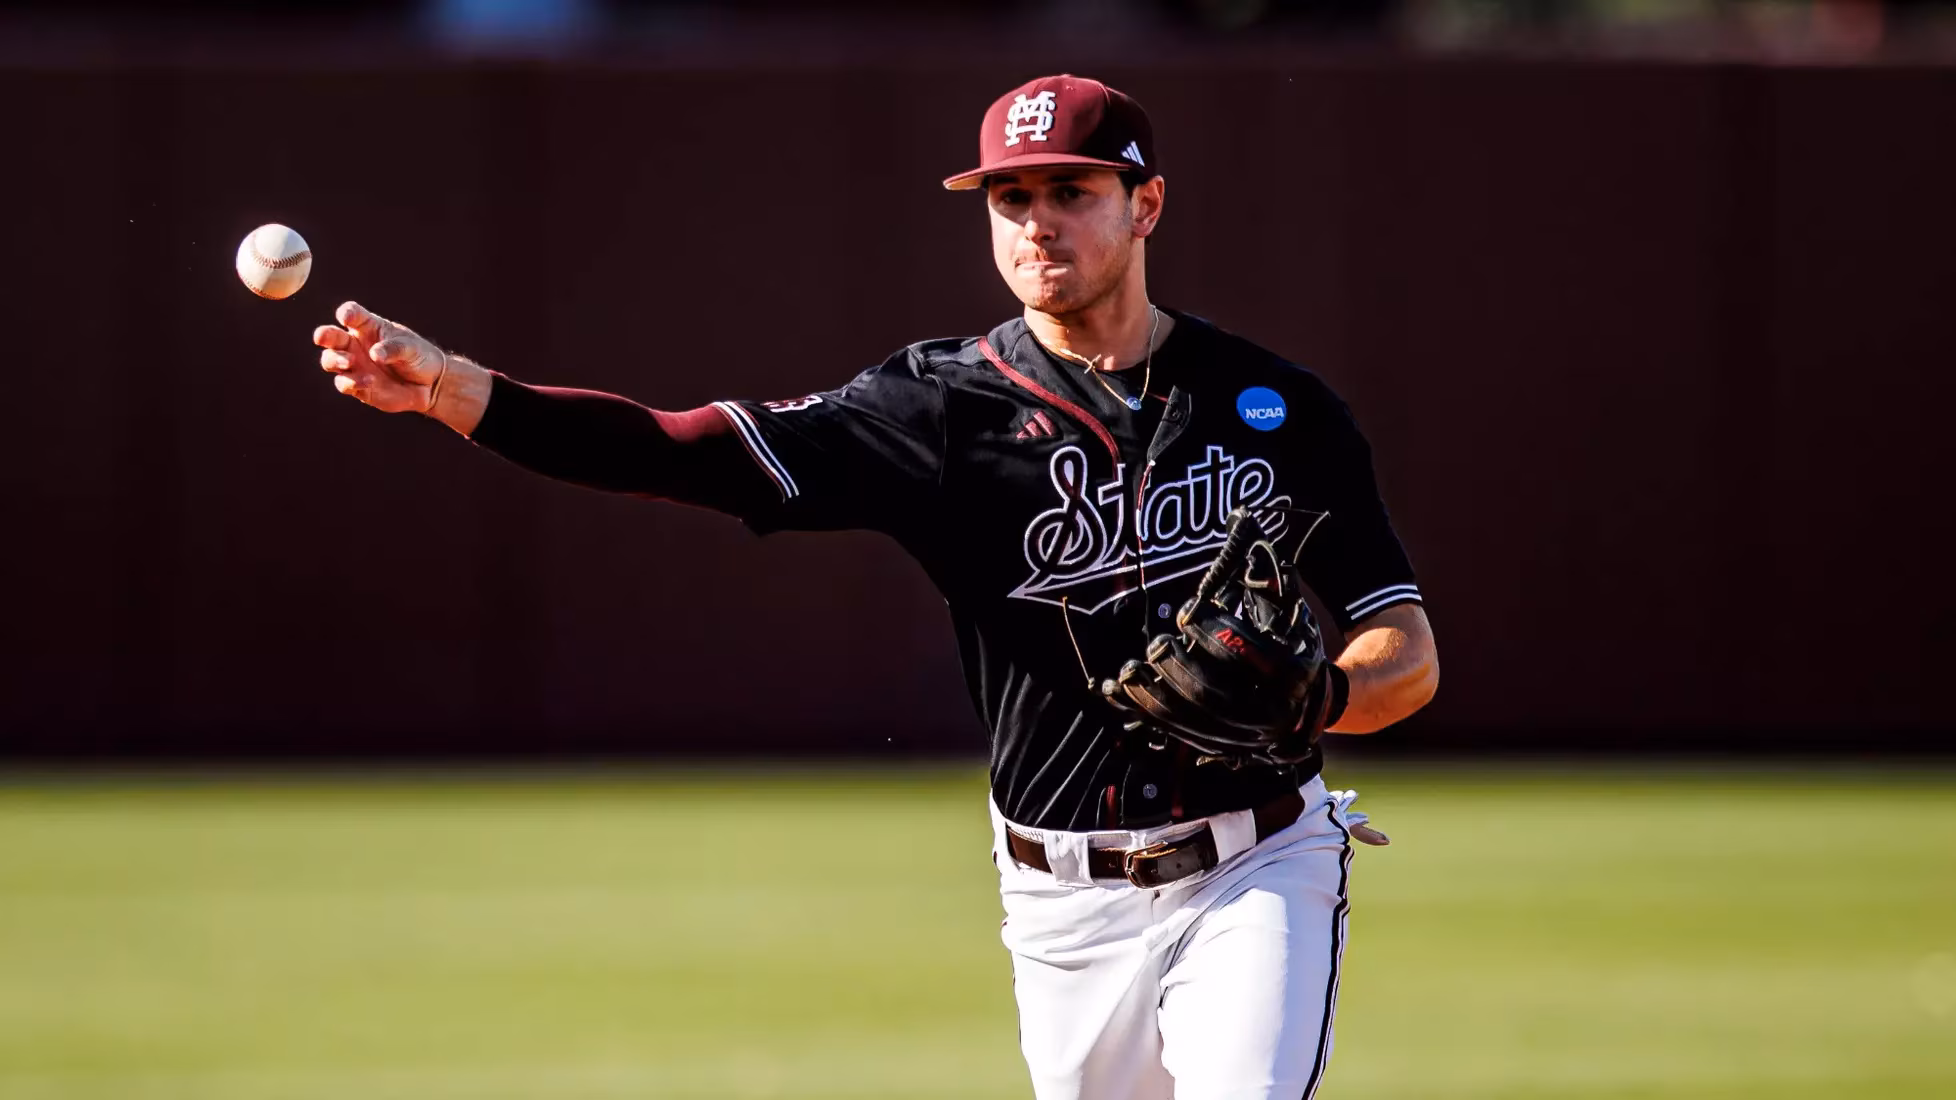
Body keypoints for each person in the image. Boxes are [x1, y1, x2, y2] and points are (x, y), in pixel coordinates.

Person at [312, 73, 1438, 1100]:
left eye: (1069, 190)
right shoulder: (941, 407)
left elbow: (1405, 648)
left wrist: (1321, 700)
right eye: (1009, 199)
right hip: (1062, 904)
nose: (1037, 221)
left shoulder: (1277, 408)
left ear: (1144, 206)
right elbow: (683, 449)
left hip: (1259, 863)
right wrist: (462, 392)